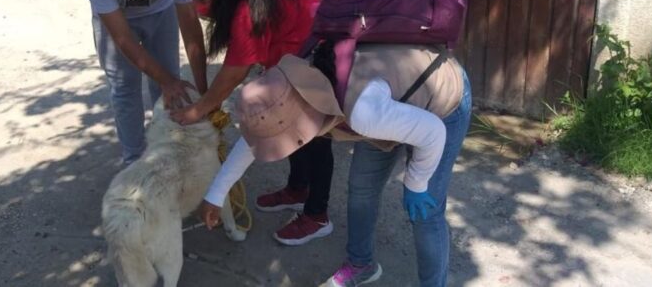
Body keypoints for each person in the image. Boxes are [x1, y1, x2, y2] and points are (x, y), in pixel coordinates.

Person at [199, 43, 472, 287]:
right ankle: (361, 265)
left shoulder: (362, 113)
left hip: (440, 99)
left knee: (426, 211)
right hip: (389, 100)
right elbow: (255, 136)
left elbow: (433, 132)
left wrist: (416, 182)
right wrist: (216, 194)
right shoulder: (294, 87)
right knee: (361, 190)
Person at [168, 0, 336, 245]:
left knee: (315, 137)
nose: (197, 7)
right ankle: (298, 190)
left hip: (320, 59)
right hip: (299, 54)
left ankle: (317, 215)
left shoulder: (246, 9)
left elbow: (234, 73)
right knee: (294, 129)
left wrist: (199, 109)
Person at [78, 0, 208, 164]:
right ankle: (134, 160)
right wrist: (167, 81)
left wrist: (204, 94)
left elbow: (191, 27)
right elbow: (124, 39)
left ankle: (168, 150)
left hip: (162, 13)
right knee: (124, 87)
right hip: (118, 16)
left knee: (170, 81)